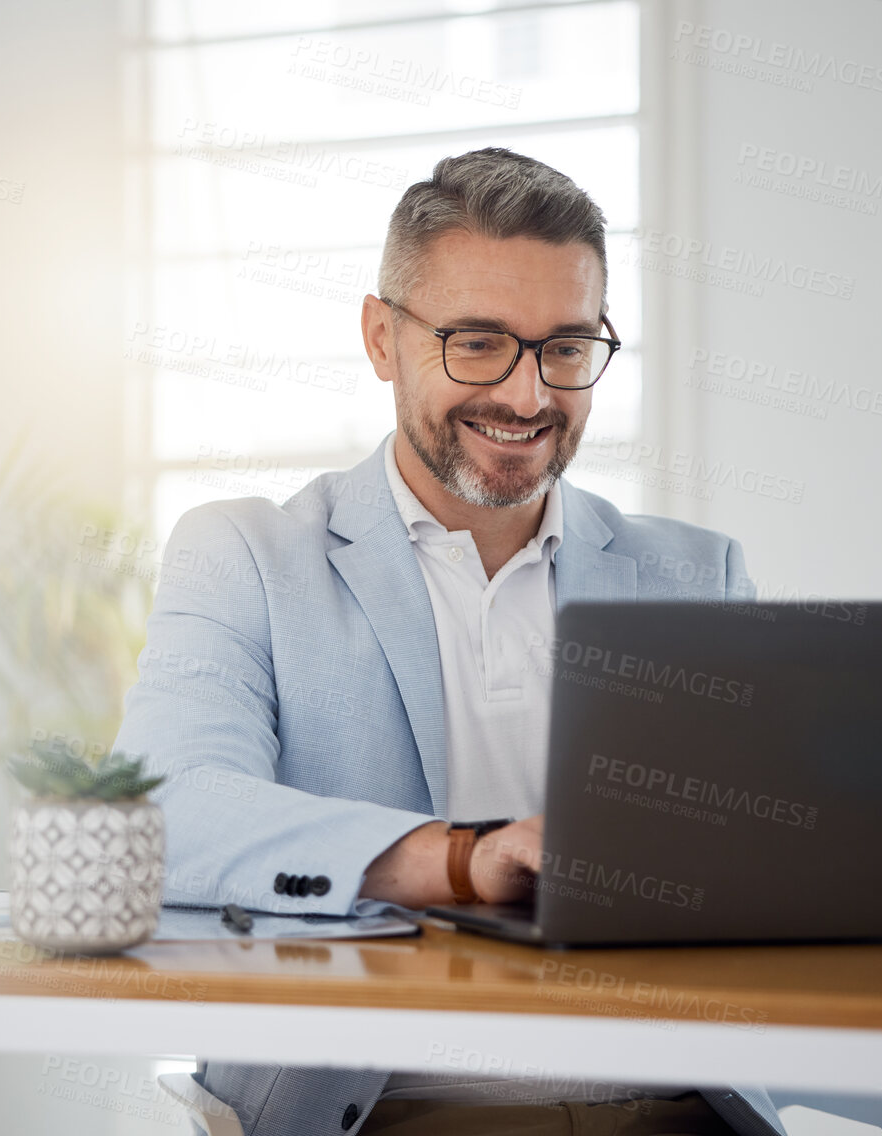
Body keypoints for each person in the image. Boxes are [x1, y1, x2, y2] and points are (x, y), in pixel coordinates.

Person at [112, 148, 781, 1136]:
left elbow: (777, 865)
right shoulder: (246, 557)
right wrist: (462, 862)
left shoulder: (696, 575)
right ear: (382, 337)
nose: (526, 397)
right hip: (392, 1111)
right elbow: (168, 809)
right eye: (476, 343)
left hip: (678, 1111)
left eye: (564, 348)